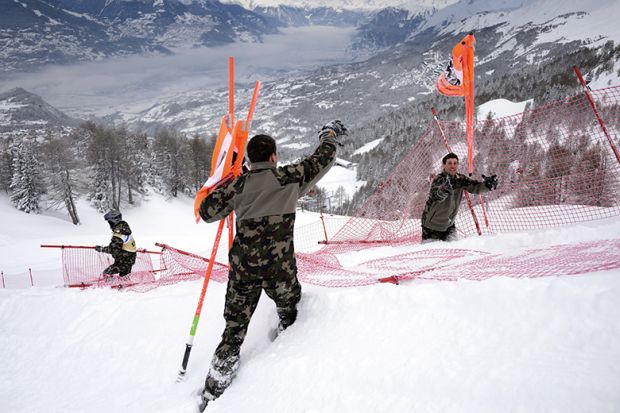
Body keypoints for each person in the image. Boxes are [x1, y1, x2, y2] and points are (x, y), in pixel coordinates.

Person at [197, 120, 346, 410]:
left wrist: (227, 180)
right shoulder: (289, 178)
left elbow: (207, 212)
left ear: (250, 160)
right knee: (290, 308)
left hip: (244, 269)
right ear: (274, 157)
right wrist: (328, 135)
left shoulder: (238, 185)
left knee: (234, 328)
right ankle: (284, 346)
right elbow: (323, 159)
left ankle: (215, 385)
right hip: (280, 268)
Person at [421, 152, 497, 242]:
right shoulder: (439, 179)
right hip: (432, 225)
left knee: (454, 250)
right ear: (444, 165)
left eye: (455, 163)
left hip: (449, 224)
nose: (453, 166)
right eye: (449, 163)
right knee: (433, 253)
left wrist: (487, 185)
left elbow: (475, 187)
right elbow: (435, 196)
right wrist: (444, 190)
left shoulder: (460, 179)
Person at [95, 210, 137, 277]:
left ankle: (108, 286)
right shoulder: (124, 228)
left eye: (110, 222)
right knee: (124, 278)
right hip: (128, 259)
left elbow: (113, 250)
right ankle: (122, 285)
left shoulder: (119, 234)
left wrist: (101, 249)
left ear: (114, 221)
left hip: (124, 261)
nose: (110, 224)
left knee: (106, 273)